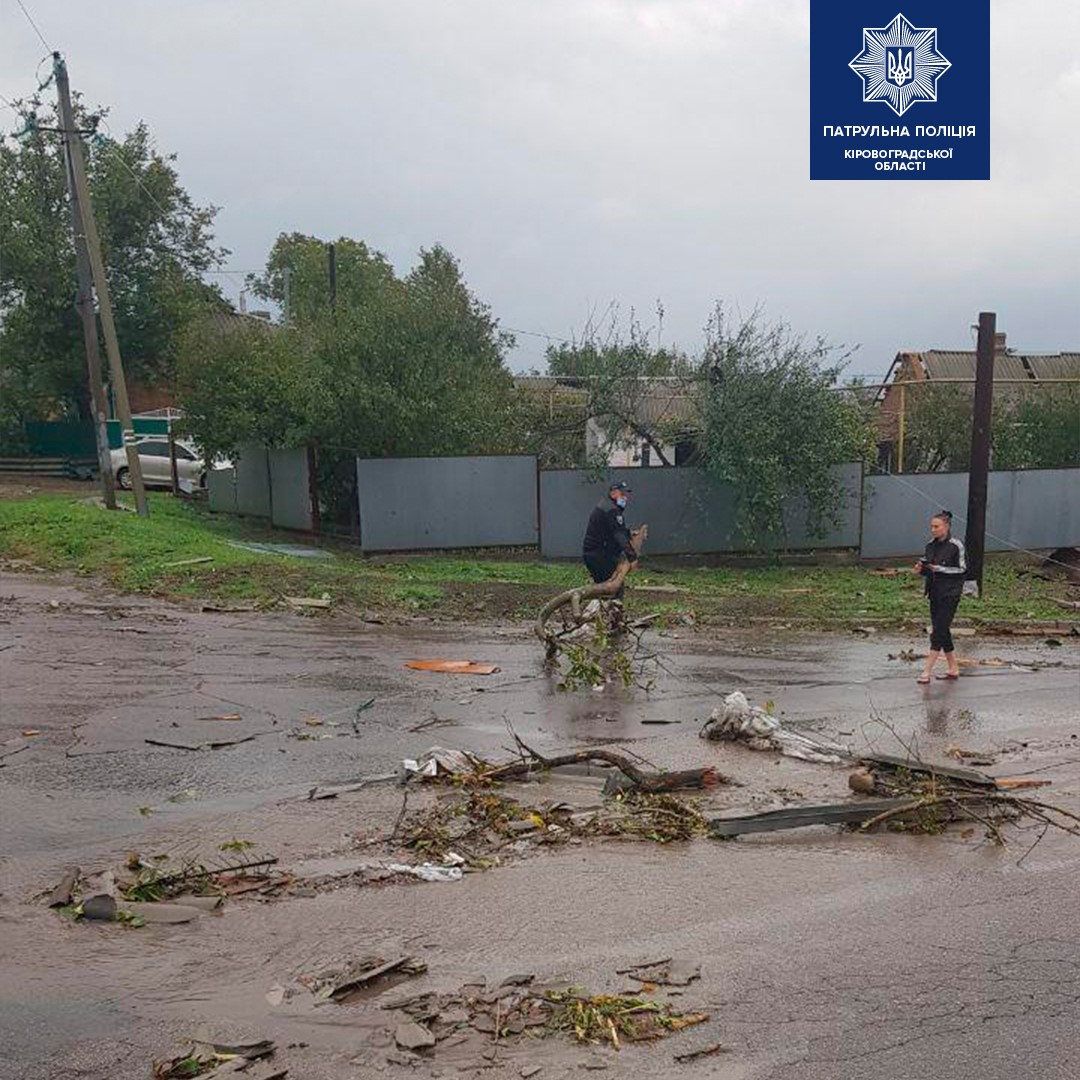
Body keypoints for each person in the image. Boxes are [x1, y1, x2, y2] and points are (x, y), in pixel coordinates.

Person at [913, 510, 967, 684]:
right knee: (942, 629)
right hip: (934, 592)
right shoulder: (930, 545)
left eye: (937, 526)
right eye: (931, 527)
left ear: (946, 526)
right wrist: (922, 569)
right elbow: (929, 568)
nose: (933, 530)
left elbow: (962, 569)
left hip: (950, 593)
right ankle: (953, 668)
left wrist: (939, 569)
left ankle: (927, 671)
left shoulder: (956, 545)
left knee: (938, 630)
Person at [582, 481, 638, 594]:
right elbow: (619, 535)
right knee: (614, 588)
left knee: (604, 587)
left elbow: (613, 530)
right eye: (622, 495)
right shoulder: (612, 510)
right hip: (600, 555)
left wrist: (629, 533)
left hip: (594, 554)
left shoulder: (606, 506)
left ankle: (603, 608)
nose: (625, 498)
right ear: (613, 493)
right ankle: (612, 608)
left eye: (626, 495)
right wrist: (632, 557)